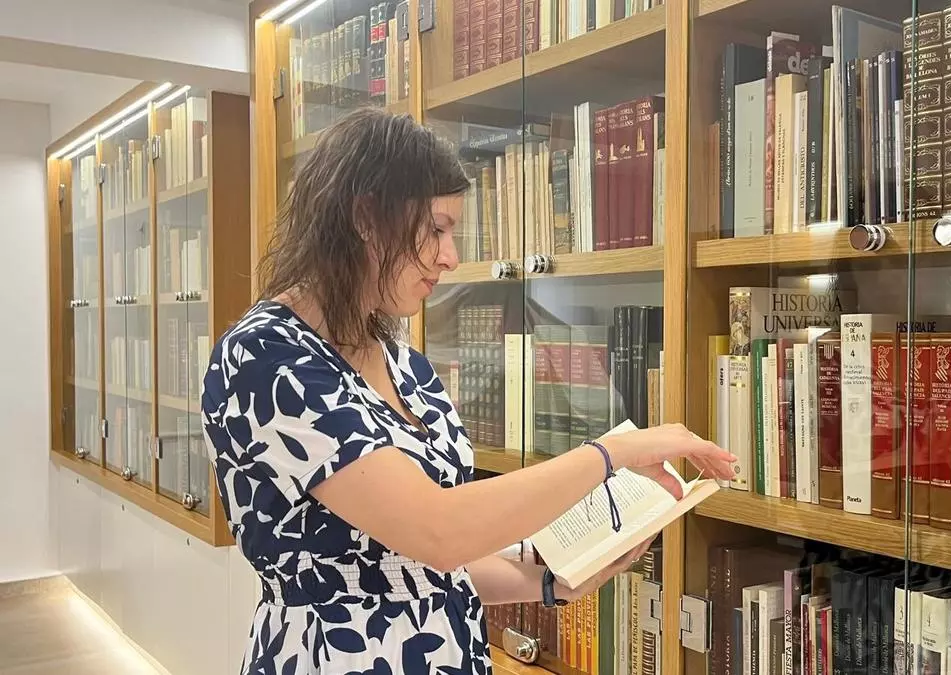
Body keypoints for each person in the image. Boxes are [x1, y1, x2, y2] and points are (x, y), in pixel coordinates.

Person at [200, 107, 737, 674]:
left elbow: (415, 571)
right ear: (365, 217)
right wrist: (612, 454)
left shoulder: (405, 365)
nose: (451, 257)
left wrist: (552, 583)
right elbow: (439, 529)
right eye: (436, 228)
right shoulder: (266, 357)